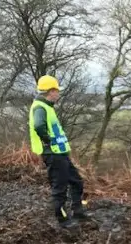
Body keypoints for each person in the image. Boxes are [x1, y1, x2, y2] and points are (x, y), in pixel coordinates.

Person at [29, 75, 89, 227]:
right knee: (60, 187)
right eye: (57, 91)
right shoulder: (40, 108)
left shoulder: (47, 107)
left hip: (59, 153)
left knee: (76, 182)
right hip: (53, 154)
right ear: (50, 91)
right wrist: (49, 141)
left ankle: (78, 211)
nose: (58, 94)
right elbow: (38, 126)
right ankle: (62, 220)